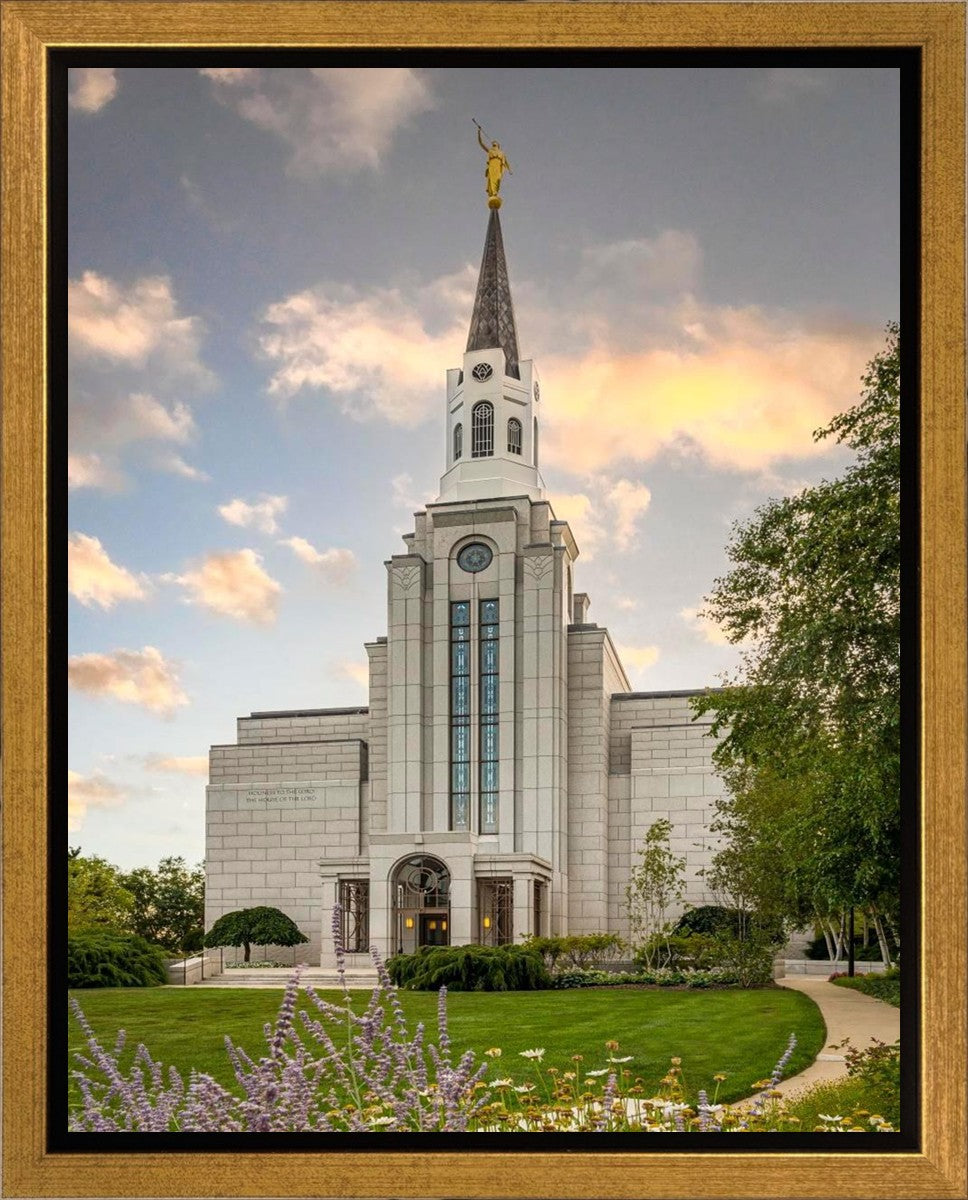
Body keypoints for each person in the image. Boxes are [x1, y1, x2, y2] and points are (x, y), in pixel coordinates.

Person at [476, 125, 512, 198]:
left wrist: (509, 170)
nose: (494, 143)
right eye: (493, 143)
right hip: (492, 166)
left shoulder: (501, 153)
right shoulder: (490, 151)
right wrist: (479, 132)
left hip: (498, 167)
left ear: (498, 145)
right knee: (492, 180)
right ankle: (494, 193)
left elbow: (506, 162)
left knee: (498, 179)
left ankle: (495, 192)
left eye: (495, 143)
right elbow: (481, 143)